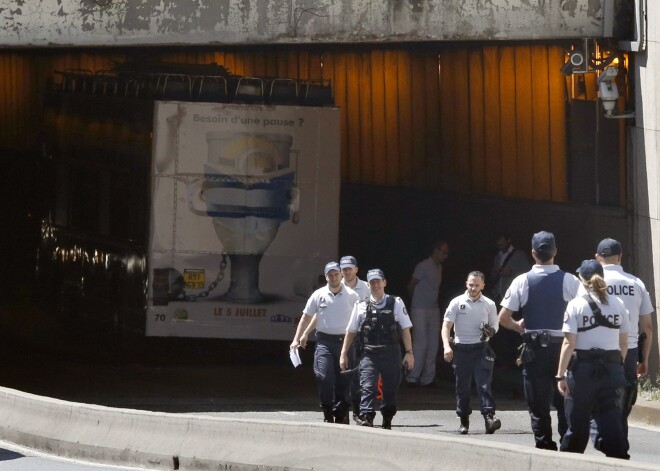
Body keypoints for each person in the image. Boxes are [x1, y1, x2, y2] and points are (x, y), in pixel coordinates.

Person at [498, 230, 580, 450]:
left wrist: (518, 326)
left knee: (537, 402)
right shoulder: (571, 280)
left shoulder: (522, 281)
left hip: (534, 349)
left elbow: (503, 318)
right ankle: (568, 445)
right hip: (562, 347)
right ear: (555, 251)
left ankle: (544, 446)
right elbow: (585, 314)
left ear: (533, 253)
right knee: (564, 398)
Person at [556, 259, 630, 459]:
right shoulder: (618, 304)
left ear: (582, 280)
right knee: (612, 422)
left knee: (577, 423)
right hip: (612, 369)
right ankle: (620, 462)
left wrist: (560, 375)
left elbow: (568, 344)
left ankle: (568, 462)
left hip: (583, 372)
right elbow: (624, 344)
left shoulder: (576, 305)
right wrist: (616, 364)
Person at [589, 238, 654, 455]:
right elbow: (648, 326)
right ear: (620, 257)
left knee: (599, 397)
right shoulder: (636, 284)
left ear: (597, 257)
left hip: (597, 350)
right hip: (630, 351)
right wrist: (644, 359)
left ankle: (605, 441)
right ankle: (618, 447)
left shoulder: (589, 282)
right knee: (623, 402)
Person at [340, 269, 414, 430]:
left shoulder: (396, 302)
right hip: (369, 353)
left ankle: (387, 417)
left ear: (384, 282)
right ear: (368, 284)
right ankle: (367, 416)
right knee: (368, 386)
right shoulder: (360, 306)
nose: (375, 285)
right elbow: (351, 331)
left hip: (391, 352)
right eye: (372, 282)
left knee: (390, 389)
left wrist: (409, 353)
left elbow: (405, 329)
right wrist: (343, 353)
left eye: (378, 281)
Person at [290, 261, 359, 424]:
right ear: (326, 277)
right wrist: (297, 338)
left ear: (341, 275)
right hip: (324, 342)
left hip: (345, 343)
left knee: (344, 379)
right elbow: (307, 317)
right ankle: (327, 409)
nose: (334, 278)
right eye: (330, 275)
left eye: (336, 274)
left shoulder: (352, 296)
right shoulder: (318, 295)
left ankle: (341, 411)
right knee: (324, 376)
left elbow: (358, 320)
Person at [441, 271, 501, 435]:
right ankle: (464, 421)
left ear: (483, 285)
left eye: (477, 285)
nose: (473, 288)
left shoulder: (489, 304)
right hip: (461, 349)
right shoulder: (457, 302)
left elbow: (495, 325)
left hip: (481, 348)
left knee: (484, 384)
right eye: (471, 284)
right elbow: (446, 326)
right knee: (462, 386)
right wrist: (447, 346)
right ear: (466, 284)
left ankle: (489, 417)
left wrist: (490, 331)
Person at [406, 240, 448, 387]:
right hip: (420, 309)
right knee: (420, 343)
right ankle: (413, 376)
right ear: (435, 251)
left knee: (433, 343)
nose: (445, 255)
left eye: (446, 253)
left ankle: (428, 378)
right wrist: (415, 302)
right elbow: (411, 285)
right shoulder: (423, 266)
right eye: (443, 252)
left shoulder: (439, 267)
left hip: (433, 308)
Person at [490, 235, 531, 304]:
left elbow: (528, 274)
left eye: (502, 244)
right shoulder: (497, 256)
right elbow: (492, 276)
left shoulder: (519, 255)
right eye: (499, 245)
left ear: (508, 240)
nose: (501, 247)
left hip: (513, 296)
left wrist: (511, 273)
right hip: (498, 296)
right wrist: (495, 272)